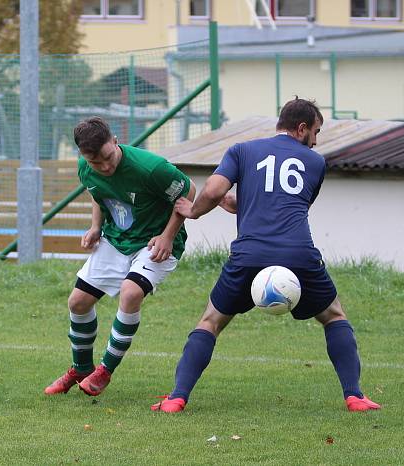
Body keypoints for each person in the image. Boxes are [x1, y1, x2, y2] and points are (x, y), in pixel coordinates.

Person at [151, 98, 381, 413]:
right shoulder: (316, 163)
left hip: (249, 254)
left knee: (211, 321)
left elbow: (215, 190)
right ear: (301, 129)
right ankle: (354, 396)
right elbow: (287, 205)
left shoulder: (241, 151)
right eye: (315, 131)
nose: (316, 141)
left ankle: (177, 398)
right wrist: (244, 205)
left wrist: (193, 211)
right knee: (334, 316)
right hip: (298, 254)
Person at [44, 116, 195, 397]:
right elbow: (98, 194)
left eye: (107, 158)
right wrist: (95, 226)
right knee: (77, 302)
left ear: (115, 141)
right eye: (95, 163)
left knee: (130, 293)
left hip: (154, 242)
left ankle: (105, 371)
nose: (104, 167)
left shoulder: (150, 169)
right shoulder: (86, 169)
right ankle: (81, 368)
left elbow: (188, 191)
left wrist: (167, 236)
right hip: (116, 240)